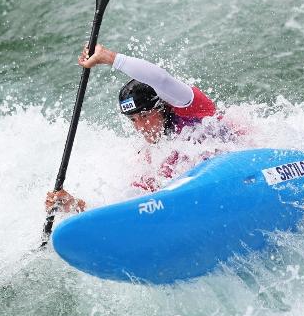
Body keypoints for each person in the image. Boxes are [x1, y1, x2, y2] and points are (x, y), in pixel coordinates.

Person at [46, 43, 218, 213]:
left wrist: (109, 57)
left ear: (163, 107)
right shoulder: (153, 159)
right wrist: (75, 205)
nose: (140, 127)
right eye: (133, 120)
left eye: (144, 116)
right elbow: (131, 208)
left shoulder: (194, 110)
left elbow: (161, 79)